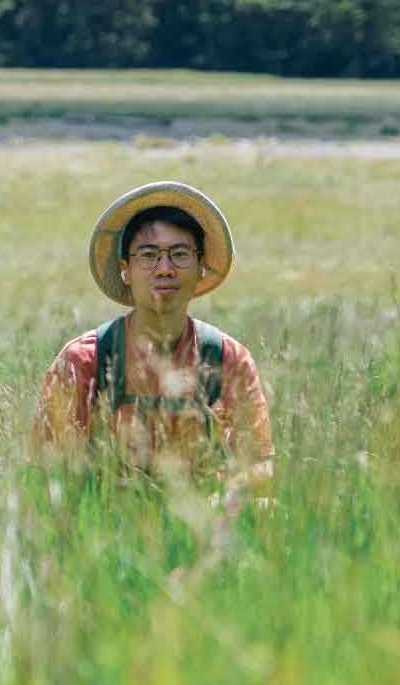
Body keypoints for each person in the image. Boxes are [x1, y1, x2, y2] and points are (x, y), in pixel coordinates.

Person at [34, 181, 273, 496]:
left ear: (201, 266)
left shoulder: (227, 358)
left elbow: (260, 463)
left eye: (179, 254)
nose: (164, 269)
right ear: (125, 270)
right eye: (149, 255)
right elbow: (45, 470)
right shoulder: (85, 360)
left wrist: (226, 497)